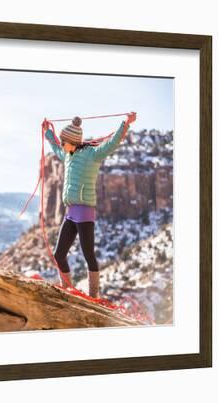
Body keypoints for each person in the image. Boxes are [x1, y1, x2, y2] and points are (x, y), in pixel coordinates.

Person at [43, 112, 137, 298]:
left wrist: (125, 123)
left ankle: (94, 296)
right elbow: (55, 146)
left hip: (85, 213)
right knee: (59, 254)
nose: (62, 145)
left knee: (88, 256)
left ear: (74, 141)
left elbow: (112, 144)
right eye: (62, 142)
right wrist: (47, 132)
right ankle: (68, 290)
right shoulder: (68, 155)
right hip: (70, 213)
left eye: (65, 142)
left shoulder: (92, 155)